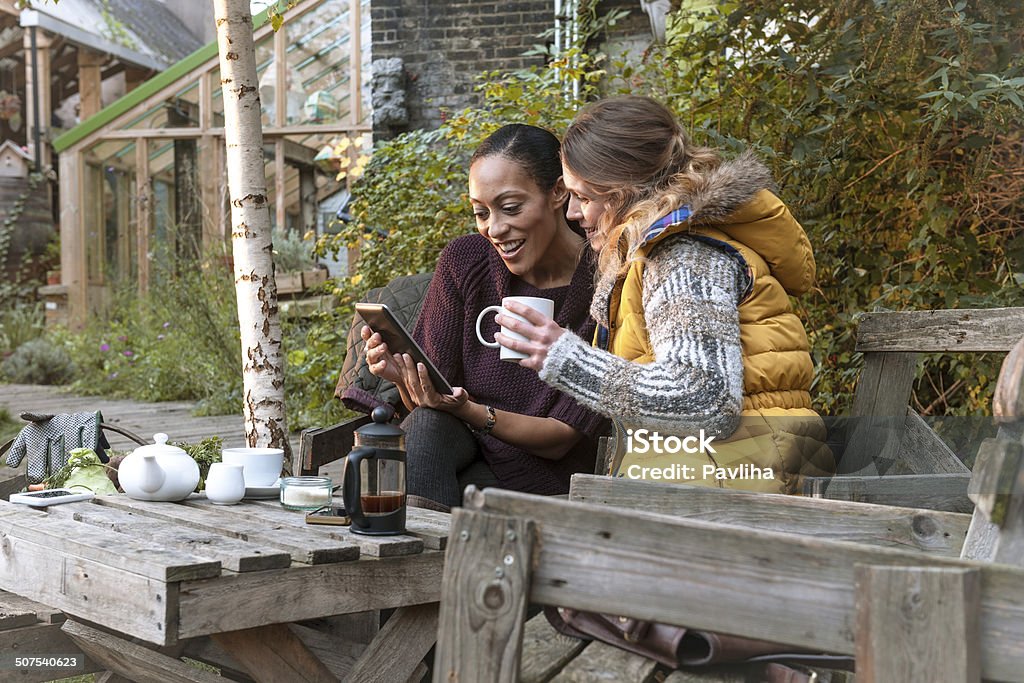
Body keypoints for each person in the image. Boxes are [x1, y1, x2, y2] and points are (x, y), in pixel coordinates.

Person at [494, 96, 833, 493]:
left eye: (584, 197)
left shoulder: (682, 258)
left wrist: (567, 359)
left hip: (737, 485)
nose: (572, 212)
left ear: (624, 191)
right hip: (731, 471)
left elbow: (704, 401)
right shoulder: (674, 248)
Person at [361, 124, 607, 508]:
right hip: (463, 447)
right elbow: (436, 405)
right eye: (481, 212)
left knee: (432, 462)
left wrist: (473, 412)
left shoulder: (604, 279)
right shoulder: (467, 260)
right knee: (426, 425)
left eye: (510, 208)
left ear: (558, 192)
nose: (494, 228)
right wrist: (406, 377)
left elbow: (562, 438)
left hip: (551, 471)